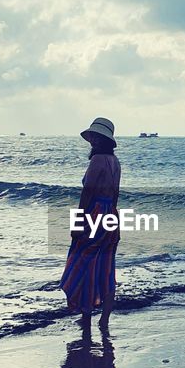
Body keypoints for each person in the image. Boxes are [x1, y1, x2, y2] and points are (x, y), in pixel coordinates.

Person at [60, 117, 121, 333]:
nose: (92, 139)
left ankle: (86, 317)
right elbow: (115, 195)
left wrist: (78, 222)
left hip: (94, 214)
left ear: (102, 139)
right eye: (92, 136)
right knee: (105, 268)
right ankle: (103, 319)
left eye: (95, 136)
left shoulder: (97, 161)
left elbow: (87, 194)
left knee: (84, 264)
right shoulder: (115, 162)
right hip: (110, 216)